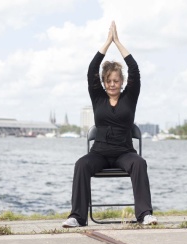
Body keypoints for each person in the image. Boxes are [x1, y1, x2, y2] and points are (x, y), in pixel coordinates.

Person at [62, 21, 157, 228]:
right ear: (104, 83)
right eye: (108, 81)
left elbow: (134, 69)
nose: (112, 84)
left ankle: (145, 215)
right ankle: (77, 217)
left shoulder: (130, 97)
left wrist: (118, 42)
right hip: (100, 153)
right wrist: (107, 43)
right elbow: (91, 70)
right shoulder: (98, 97)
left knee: (139, 162)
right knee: (81, 164)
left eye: (115, 81)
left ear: (121, 82)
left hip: (124, 153)